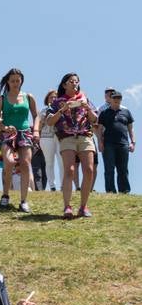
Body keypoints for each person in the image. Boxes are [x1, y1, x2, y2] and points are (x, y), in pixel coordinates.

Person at [46, 72, 100, 218]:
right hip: (67, 137)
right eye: (71, 81)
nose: (74, 83)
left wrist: (87, 107)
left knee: (89, 170)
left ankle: (83, 206)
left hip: (85, 136)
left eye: (76, 81)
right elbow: (50, 122)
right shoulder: (57, 101)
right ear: (64, 85)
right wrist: (62, 109)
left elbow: (95, 120)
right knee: (69, 170)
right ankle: (67, 206)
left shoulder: (85, 98)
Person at [0, 68, 39, 212]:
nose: (15, 83)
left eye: (18, 80)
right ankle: (5, 194)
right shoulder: (2, 99)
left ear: (21, 81)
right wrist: (5, 127)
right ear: (8, 82)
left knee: (25, 164)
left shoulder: (28, 97)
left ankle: (24, 200)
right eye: (12, 81)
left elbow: (36, 115)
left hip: (25, 133)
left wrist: (36, 130)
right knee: (9, 162)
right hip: (8, 134)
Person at [98, 91, 135, 194]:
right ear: (111, 99)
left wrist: (133, 142)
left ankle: (124, 191)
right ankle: (110, 190)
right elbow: (100, 129)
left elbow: (130, 129)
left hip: (123, 144)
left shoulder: (126, 112)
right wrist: (100, 143)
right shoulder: (104, 113)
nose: (117, 100)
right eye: (115, 98)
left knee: (123, 169)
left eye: (119, 98)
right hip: (108, 144)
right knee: (109, 168)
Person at [36, 90, 61, 191]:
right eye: (51, 97)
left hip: (60, 137)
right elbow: (39, 125)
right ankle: (52, 186)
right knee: (49, 162)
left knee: (62, 162)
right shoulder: (44, 110)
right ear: (47, 99)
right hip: (46, 137)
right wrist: (44, 118)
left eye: (56, 97)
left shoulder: (62, 109)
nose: (54, 99)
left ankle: (64, 185)